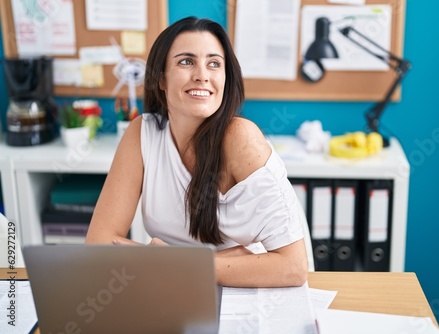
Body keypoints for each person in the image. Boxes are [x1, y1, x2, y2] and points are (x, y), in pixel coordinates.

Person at [86, 17, 308, 288]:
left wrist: (183, 263)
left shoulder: (240, 138)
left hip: (249, 287)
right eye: (186, 61)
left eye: (214, 63)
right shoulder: (142, 133)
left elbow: (294, 267)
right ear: (161, 79)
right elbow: (99, 243)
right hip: (178, 284)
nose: (202, 74)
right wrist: (192, 263)